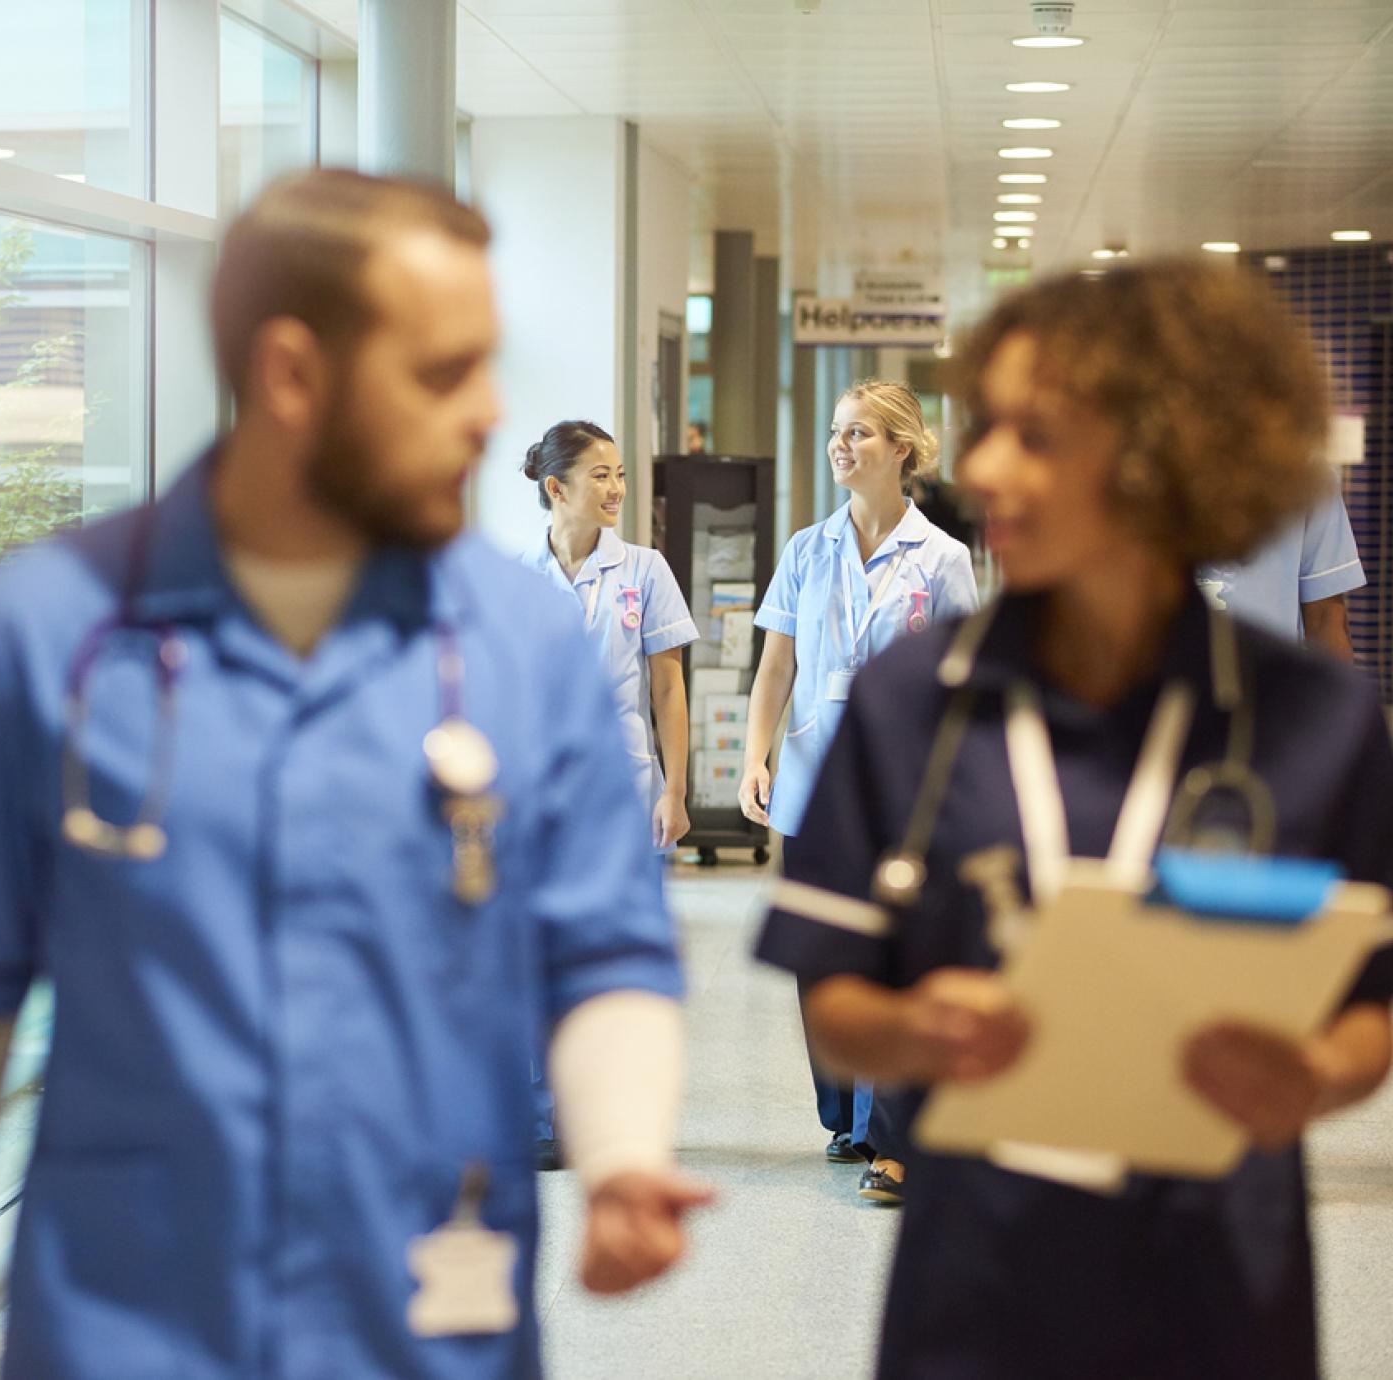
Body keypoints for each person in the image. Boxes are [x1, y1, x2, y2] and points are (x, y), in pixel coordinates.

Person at [0, 170, 713, 1380]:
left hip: (424, 1317)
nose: (486, 414)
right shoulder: (45, 635)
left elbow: (605, 953)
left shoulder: (519, 645)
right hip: (122, 1327)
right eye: (440, 372)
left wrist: (621, 1157)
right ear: (292, 374)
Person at [757, 260, 1393, 1380]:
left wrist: (1308, 1074)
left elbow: (1367, 1014)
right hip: (975, 1279)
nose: (986, 465)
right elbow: (837, 1001)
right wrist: (915, 1036)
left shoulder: (1313, 724)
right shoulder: (917, 702)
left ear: (1168, 455)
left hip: (1221, 1283)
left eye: (1033, 434)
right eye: (983, 426)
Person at [739, 380, 979, 1203]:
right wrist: (753, 759)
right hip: (813, 782)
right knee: (825, 960)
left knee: (894, 961)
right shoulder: (807, 549)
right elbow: (776, 666)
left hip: (904, 790)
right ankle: (846, 1116)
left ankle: (893, 1138)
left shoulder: (942, 558)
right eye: (836, 431)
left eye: (860, 434)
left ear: (902, 449)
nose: (841, 446)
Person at [517, 420, 700, 1169]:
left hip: (626, 789)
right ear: (556, 488)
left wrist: (676, 790)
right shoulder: (517, 575)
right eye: (601, 476)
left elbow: (668, 686)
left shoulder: (645, 570)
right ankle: (539, 1118)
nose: (617, 489)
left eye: (620, 474)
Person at [1199, 489, 1363, 659]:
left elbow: (1325, 619)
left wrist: (1335, 685)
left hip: (1272, 673)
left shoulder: (1309, 472)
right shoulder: (1172, 473)